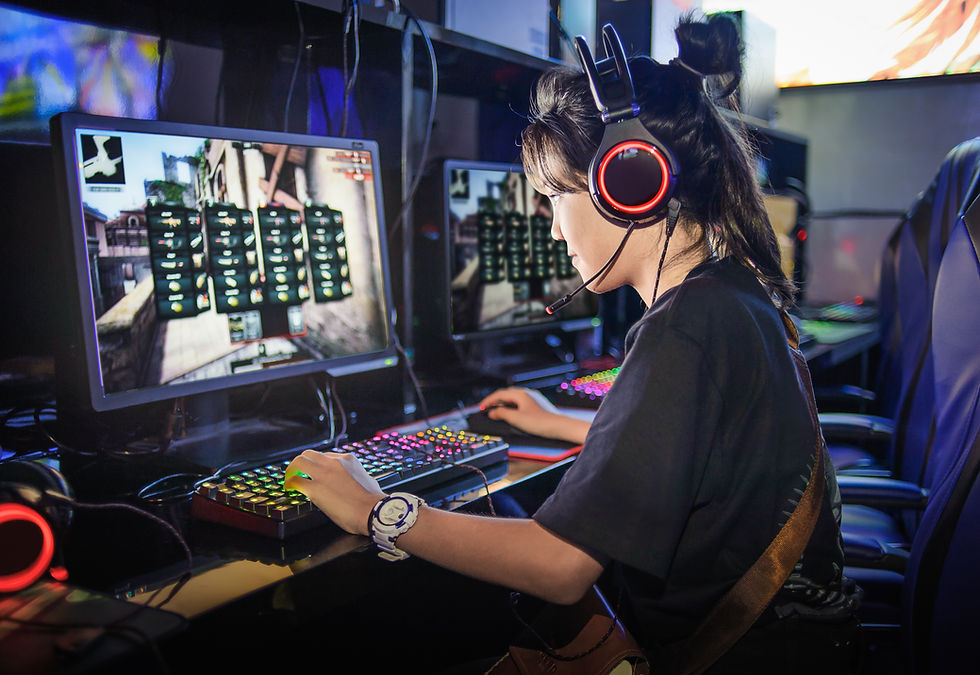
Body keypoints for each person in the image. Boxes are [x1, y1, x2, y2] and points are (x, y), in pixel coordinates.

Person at [284, 12, 860, 673]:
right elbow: (700, 453)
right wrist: (567, 423)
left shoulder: (685, 329)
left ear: (629, 183)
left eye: (556, 196)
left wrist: (376, 510)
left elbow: (557, 565)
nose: (555, 229)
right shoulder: (730, 293)